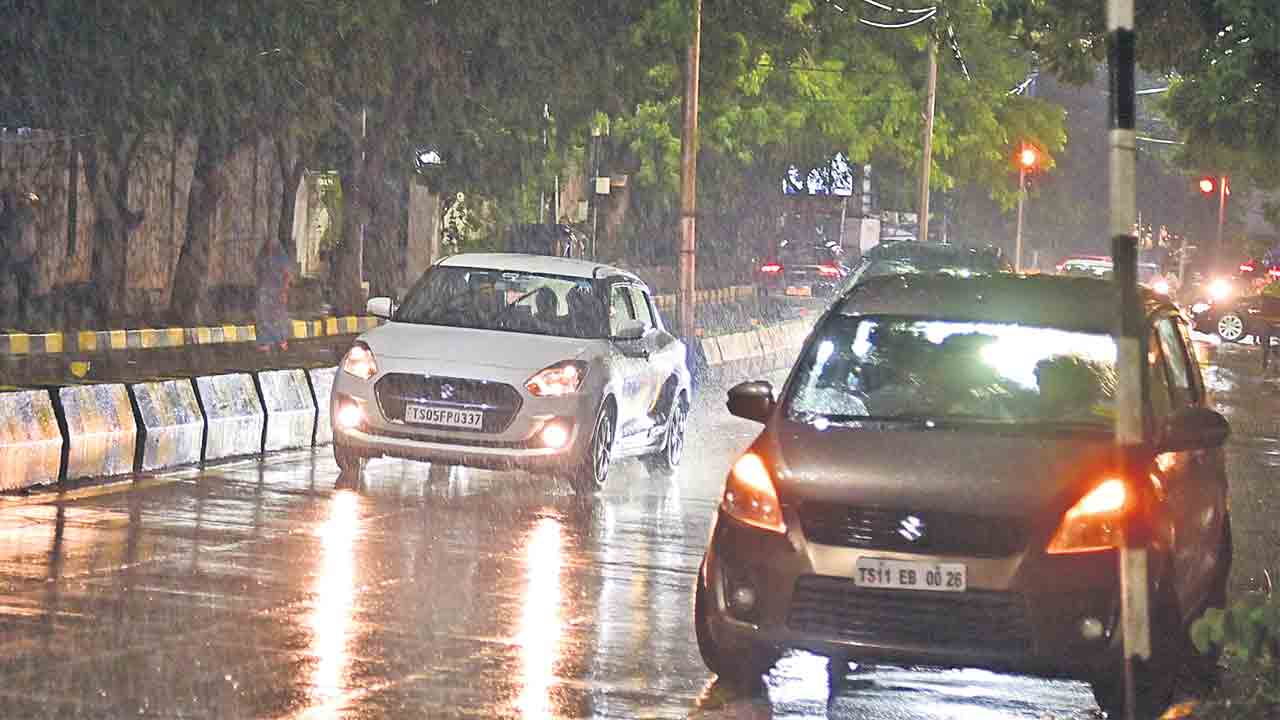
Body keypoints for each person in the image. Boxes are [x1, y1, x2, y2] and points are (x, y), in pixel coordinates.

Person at [255, 239, 293, 352]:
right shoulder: (264, 257)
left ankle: (281, 341)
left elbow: (287, 275)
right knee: (264, 316)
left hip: (277, 291)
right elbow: (258, 272)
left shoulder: (280, 258)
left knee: (278, 316)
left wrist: (284, 291)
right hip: (265, 291)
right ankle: (266, 342)